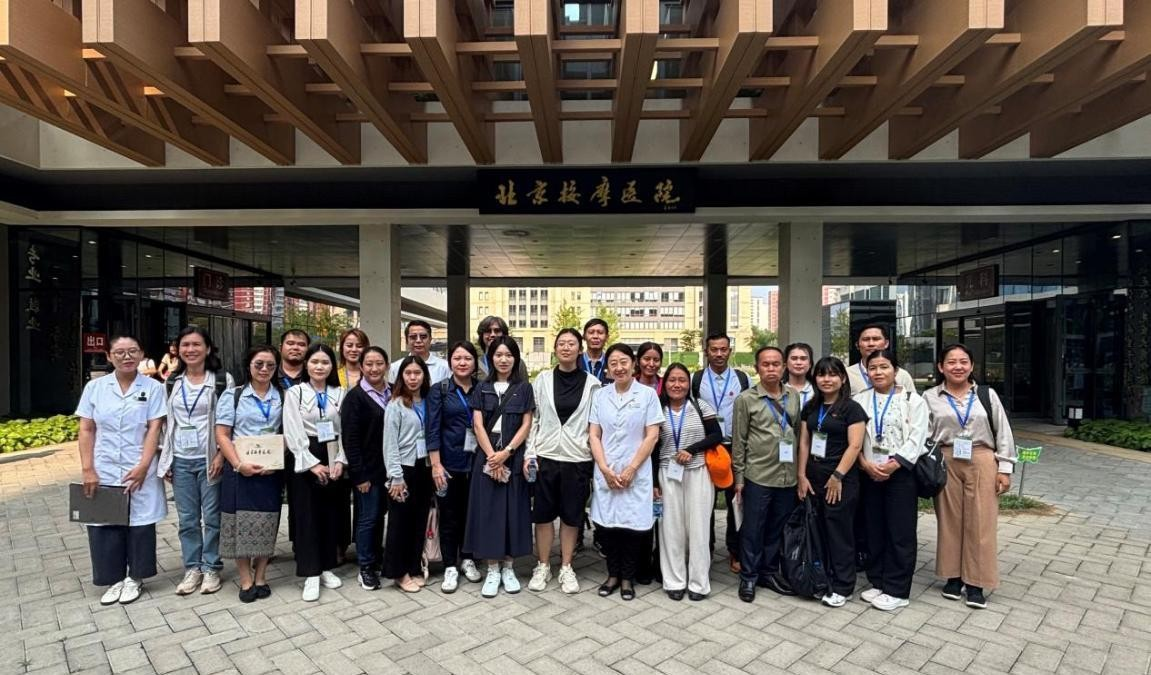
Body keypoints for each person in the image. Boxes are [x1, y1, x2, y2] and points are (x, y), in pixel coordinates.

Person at [75, 335, 167, 605]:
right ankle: (113, 579)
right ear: (109, 356)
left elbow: (154, 428)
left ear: (141, 354)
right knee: (104, 522)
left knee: (140, 523)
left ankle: (135, 578)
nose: (127, 357)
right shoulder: (95, 387)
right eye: (119, 352)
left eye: (133, 351)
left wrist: (143, 466)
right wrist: (88, 469)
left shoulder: (153, 388)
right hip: (103, 465)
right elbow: (86, 429)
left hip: (139, 463)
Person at [927, 343, 1015, 610]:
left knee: (981, 521)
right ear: (941, 367)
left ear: (972, 365)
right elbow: (925, 432)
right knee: (949, 520)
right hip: (946, 458)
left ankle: (976, 582)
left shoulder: (986, 395)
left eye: (963, 361)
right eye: (951, 362)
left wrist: (1005, 468)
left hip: (981, 458)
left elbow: (1003, 431)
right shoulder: (930, 396)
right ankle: (953, 577)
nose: (958, 366)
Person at [157, 326, 234, 596]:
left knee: (212, 517)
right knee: (188, 519)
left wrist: (221, 454)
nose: (191, 349)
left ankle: (211, 567)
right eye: (185, 345)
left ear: (208, 348)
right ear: (178, 350)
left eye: (196, 344)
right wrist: (166, 459)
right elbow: (166, 424)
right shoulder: (171, 382)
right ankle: (193, 568)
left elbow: (229, 421)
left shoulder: (222, 380)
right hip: (180, 459)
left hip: (210, 459)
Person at [853, 348, 929, 612]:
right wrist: (865, 464)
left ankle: (897, 589)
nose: (878, 372)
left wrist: (894, 464)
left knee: (900, 531)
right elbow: (854, 438)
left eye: (884, 367)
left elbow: (917, 438)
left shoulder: (912, 400)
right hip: (869, 472)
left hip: (900, 474)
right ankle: (878, 580)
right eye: (872, 368)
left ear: (895, 370)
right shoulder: (860, 400)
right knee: (873, 529)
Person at [525, 329, 601, 594]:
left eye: (571, 343)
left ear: (580, 349)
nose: (566, 347)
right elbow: (533, 419)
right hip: (546, 456)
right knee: (543, 515)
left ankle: (567, 566)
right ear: (555, 348)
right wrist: (530, 453)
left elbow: (594, 424)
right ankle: (543, 565)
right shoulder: (543, 380)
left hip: (577, 458)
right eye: (561, 343)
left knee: (572, 515)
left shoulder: (593, 384)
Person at [589, 343, 663, 601]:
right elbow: (594, 434)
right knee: (608, 527)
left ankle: (627, 578)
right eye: (613, 363)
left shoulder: (647, 395)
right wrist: (604, 468)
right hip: (607, 470)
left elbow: (652, 435)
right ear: (607, 369)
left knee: (632, 528)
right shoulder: (600, 395)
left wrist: (632, 469)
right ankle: (612, 575)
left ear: (633, 365)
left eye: (623, 362)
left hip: (636, 471)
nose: (619, 368)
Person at [214, 345, 285, 603]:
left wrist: (277, 459)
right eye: (259, 364)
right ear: (249, 366)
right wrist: (237, 463)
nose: (264, 369)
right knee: (238, 524)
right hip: (239, 470)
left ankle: (261, 575)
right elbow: (222, 434)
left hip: (270, 471)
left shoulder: (283, 396)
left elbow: (288, 431)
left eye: (270, 365)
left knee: (268, 522)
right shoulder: (233, 396)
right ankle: (245, 579)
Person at [466, 336, 535, 598]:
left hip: (513, 456)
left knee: (512, 512)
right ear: (490, 358)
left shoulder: (524, 388)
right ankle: (492, 569)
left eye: (508, 355)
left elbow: (526, 424)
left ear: (515, 358)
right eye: (498, 355)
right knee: (489, 512)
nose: (503, 360)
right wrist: (492, 457)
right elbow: (477, 425)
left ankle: (509, 567)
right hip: (487, 456)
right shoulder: (481, 388)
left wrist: (507, 453)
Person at [797, 357, 868, 608]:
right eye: (821, 374)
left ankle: (843, 586)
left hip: (840, 479)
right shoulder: (811, 406)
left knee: (839, 532)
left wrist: (838, 476)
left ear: (843, 378)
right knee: (818, 530)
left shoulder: (852, 408)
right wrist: (801, 475)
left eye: (833, 374)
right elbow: (804, 442)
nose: (827, 379)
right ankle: (823, 578)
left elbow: (855, 445)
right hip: (813, 477)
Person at [732, 346, 801, 603]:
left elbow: (797, 432)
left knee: (776, 528)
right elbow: (739, 441)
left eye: (776, 364)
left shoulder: (793, 396)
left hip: (787, 476)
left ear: (783, 367)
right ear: (757, 368)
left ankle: (768, 572)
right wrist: (739, 479)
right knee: (753, 529)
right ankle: (749, 576)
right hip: (758, 475)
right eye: (765, 364)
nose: (771, 369)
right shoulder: (746, 399)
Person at [283, 343, 349, 601]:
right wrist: (311, 464)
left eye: (325, 362)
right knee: (306, 515)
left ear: (333, 366)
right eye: (314, 362)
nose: (319, 367)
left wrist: (340, 460)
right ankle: (311, 572)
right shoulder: (296, 393)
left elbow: (344, 430)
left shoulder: (340, 393)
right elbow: (292, 429)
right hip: (305, 455)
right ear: (306, 365)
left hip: (332, 452)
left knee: (330, 513)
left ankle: (326, 566)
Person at [655, 363, 721, 601]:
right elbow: (653, 448)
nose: (677, 385)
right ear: (665, 383)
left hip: (698, 472)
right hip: (667, 473)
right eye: (672, 380)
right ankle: (674, 581)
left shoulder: (700, 406)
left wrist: (692, 450)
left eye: (682, 380)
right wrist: (653, 483)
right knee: (670, 529)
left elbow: (716, 435)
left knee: (699, 528)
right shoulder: (657, 408)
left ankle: (698, 583)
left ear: (689, 383)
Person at [426, 342, 484, 593]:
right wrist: (436, 465)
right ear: (450, 362)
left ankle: (468, 558)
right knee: (449, 515)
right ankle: (450, 564)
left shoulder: (483, 389)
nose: (462, 363)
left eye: (467, 358)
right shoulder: (440, 390)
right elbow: (432, 428)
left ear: (475, 362)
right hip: (448, 464)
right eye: (457, 358)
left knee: (472, 514)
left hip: (478, 463)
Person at [691, 332, 751, 574]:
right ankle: (705, 550)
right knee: (704, 502)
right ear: (706, 351)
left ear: (730, 351)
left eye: (723, 349)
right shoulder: (696, 379)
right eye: (714, 349)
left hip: (734, 447)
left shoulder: (742, 378)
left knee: (736, 501)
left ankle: (735, 551)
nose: (718, 354)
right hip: (707, 447)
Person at [382, 355, 435, 593]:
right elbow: (390, 443)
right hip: (404, 469)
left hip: (425, 467)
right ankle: (398, 572)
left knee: (418, 521)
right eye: (408, 373)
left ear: (424, 376)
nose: (413, 378)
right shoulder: (396, 405)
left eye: (417, 373)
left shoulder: (428, 401)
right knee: (400, 523)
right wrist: (395, 476)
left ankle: (413, 567)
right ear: (401, 376)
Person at [340, 346, 391, 591]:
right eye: (369, 364)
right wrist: (359, 475)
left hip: (389, 469)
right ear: (361, 367)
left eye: (379, 363)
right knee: (368, 518)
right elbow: (350, 440)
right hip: (367, 472)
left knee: (379, 515)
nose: (374, 368)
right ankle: (366, 566)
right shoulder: (355, 397)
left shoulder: (394, 392)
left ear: (386, 366)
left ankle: (377, 556)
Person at [847, 324, 916, 394]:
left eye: (876, 339)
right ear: (857, 345)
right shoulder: (847, 375)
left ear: (886, 343)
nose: (871, 344)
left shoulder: (902, 375)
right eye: (866, 339)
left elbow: (912, 399)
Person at [475, 316, 527, 380]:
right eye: (488, 331)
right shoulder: (476, 364)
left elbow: (525, 385)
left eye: (497, 331)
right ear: (482, 335)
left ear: (504, 334)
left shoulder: (518, 363)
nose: (492, 334)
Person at [784, 343, 815, 410]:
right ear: (785, 363)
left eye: (803, 359)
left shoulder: (817, 390)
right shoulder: (778, 389)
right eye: (794, 358)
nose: (798, 362)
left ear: (810, 364)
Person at [581, 318, 611, 384]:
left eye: (600, 333)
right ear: (584, 336)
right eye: (591, 332)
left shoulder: (612, 363)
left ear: (607, 337)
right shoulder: (574, 362)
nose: (595, 336)